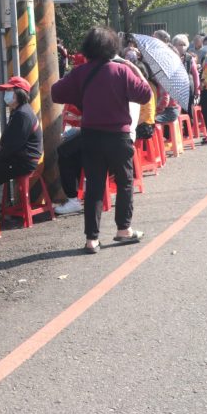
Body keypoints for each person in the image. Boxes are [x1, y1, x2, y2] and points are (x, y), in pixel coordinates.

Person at [51, 26, 152, 255]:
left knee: (94, 187)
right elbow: (145, 95)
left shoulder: (80, 72)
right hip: (118, 137)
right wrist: (135, 69)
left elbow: (56, 93)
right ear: (112, 46)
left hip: (91, 136)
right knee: (125, 183)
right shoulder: (122, 71)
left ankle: (91, 239)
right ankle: (123, 229)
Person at [0, 76, 42, 191]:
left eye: (9, 91)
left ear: (19, 93)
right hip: (20, 158)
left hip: (24, 162)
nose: (6, 94)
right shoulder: (20, 110)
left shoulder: (22, 114)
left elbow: (12, 146)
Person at [172, 34, 200, 110]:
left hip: (188, 87)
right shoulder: (171, 57)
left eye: (184, 45)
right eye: (180, 45)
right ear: (174, 45)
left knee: (188, 109)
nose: (182, 47)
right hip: (175, 87)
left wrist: (197, 90)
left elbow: (195, 74)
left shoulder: (189, 58)